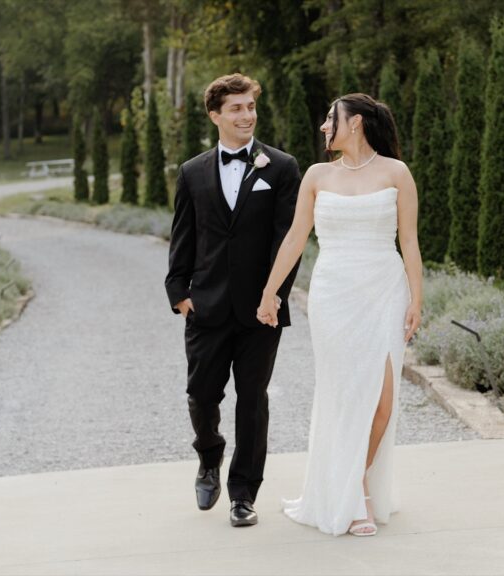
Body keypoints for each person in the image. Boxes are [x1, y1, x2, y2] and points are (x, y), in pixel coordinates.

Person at [256, 93, 423, 537]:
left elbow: (409, 241)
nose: (324, 127)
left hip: (385, 291)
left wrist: (417, 299)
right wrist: (270, 292)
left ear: (357, 124)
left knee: (383, 403)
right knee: (345, 393)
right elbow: (294, 239)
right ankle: (353, 497)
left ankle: (358, 481)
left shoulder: (396, 173)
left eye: (331, 119)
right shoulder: (317, 175)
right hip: (333, 296)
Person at [165, 73, 301, 528]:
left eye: (251, 107)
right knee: (201, 395)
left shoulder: (281, 167)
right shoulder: (192, 172)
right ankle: (209, 456)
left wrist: (275, 297)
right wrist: (180, 295)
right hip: (205, 306)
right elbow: (183, 238)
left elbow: (289, 240)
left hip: (261, 310)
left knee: (253, 399)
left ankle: (244, 494)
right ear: (215, 115)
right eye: (237, 109)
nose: (247, 116)